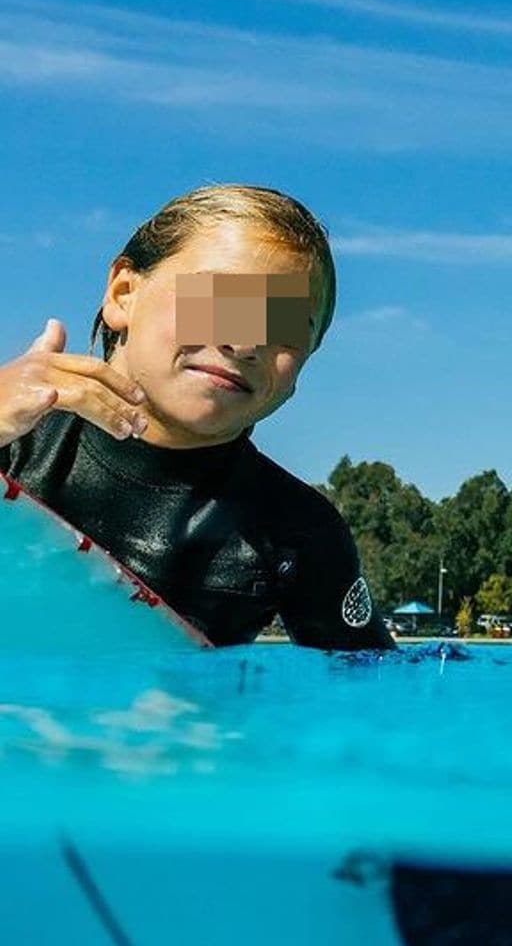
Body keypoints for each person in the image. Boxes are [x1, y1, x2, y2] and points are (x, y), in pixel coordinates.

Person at [0, 184, 393, 649]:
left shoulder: (296, 531)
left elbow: (371, 699)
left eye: (284, 326)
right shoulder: (16, 441)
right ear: (124, 294)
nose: (245, 342)